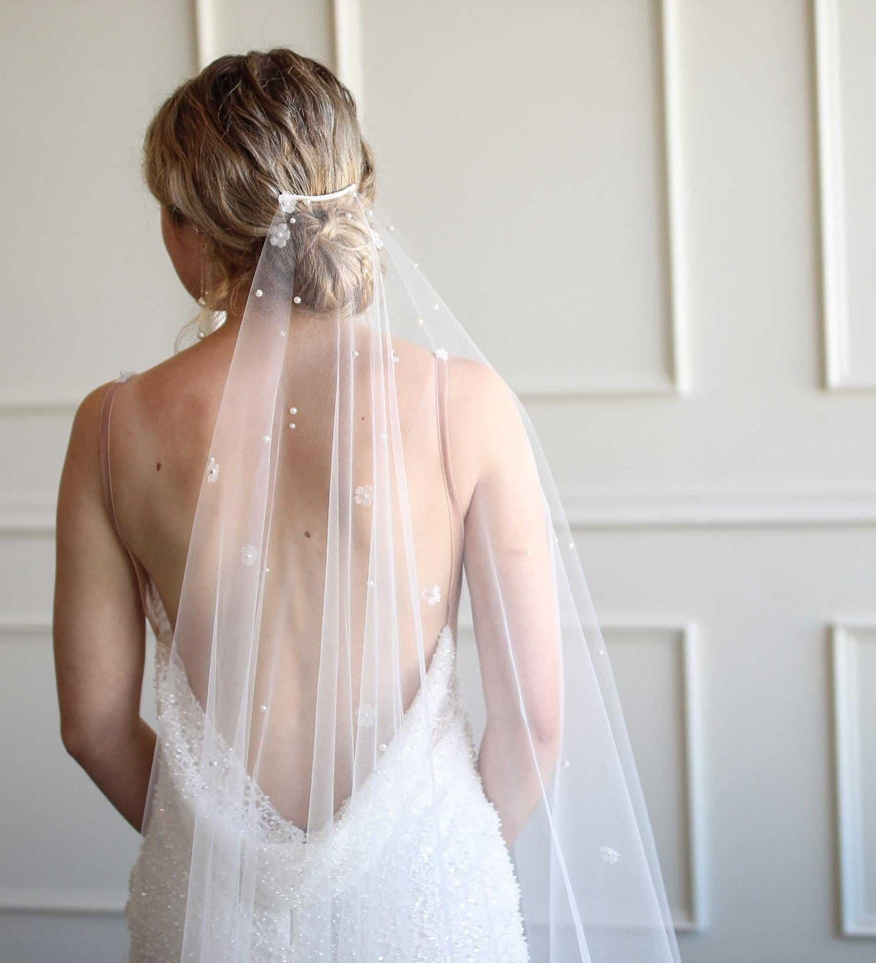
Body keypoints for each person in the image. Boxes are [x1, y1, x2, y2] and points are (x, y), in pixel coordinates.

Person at [52, 48, 681, 962]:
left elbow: (93, 724)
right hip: (427, 892)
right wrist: (432, 861)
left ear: (190, 224)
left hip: (208, 909)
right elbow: (537, 722)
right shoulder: (462, 403)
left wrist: (216, 860)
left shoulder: (113, 424)